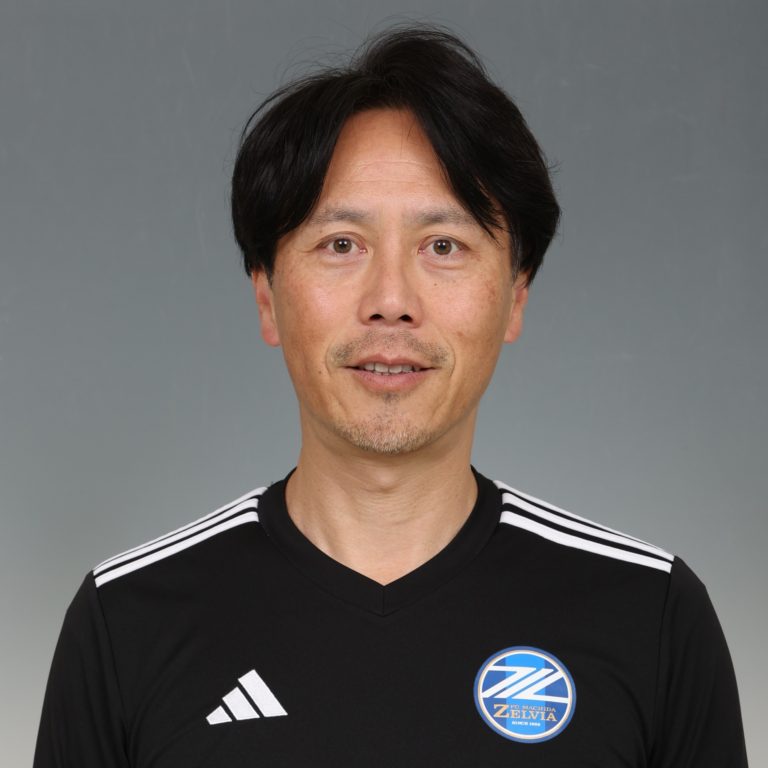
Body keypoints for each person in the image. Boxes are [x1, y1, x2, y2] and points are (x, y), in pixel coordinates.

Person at [34, 25, 748, 767]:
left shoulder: (650, 616)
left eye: (444, 246)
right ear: (267, 297)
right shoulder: (127, 622)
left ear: (515, 296)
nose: (391, 302)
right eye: (341, 244)